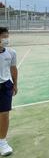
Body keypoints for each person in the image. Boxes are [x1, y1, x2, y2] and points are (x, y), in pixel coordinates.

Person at [0, 27, 18, 156]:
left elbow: (13, 69)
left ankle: (2, 142)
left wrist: (15, 85)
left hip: (6, 86)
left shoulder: (11, 53)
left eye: (7, 36)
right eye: (3, 36)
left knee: (4, 115)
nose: (6, 39)